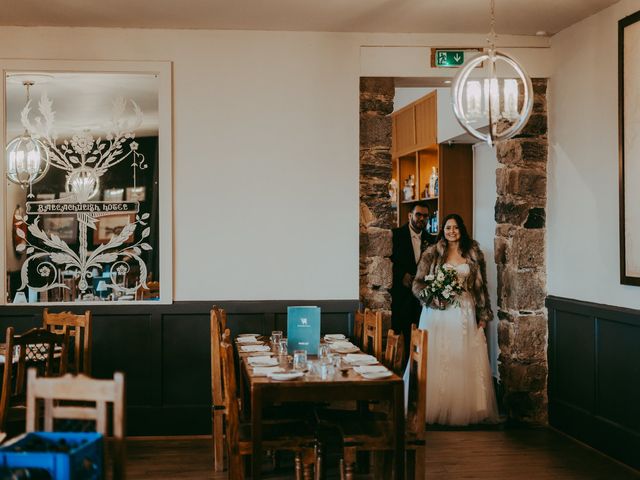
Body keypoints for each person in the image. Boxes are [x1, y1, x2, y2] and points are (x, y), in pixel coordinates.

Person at [408, 213, 498, 425]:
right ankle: (433, 407)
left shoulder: (473, 252)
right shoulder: (431, 253)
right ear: (442, 230)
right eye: (448, 228)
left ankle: (460, 408)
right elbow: (417, 285)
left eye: (455, 228)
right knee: (438, 355)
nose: (451, 231)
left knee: (462, 354)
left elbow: (480, 286)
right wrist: (432, 299)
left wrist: (483, 315)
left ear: (461, 229)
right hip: (437, 312)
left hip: (464, 311)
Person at [391, 201, 436, 355]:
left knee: (420, 342)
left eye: (425, 216)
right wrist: (400, 275)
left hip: (422, 301)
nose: (421, 218)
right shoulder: (395, 235)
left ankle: (417, 373)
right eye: (418, 215)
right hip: (401, 297)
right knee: (400, 343)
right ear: (410, 215)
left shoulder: (432, 240)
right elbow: (389, 261)